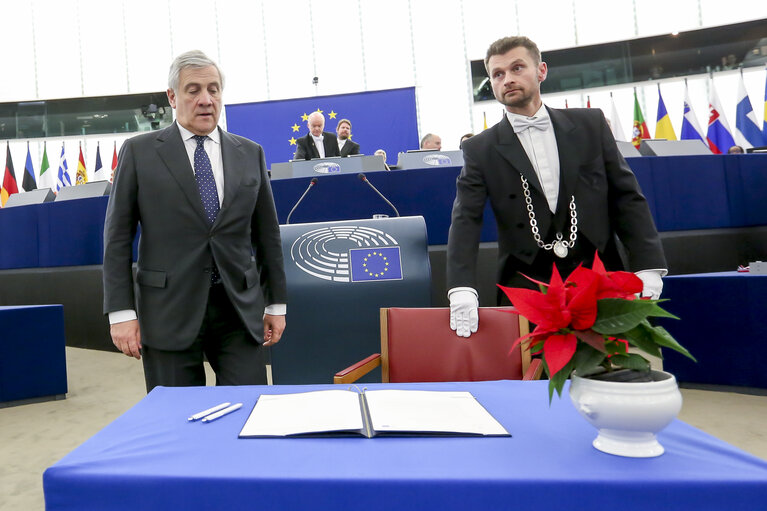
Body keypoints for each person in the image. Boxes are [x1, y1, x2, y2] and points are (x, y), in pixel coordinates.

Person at [446, 36, 666, 337]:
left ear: (541, 71)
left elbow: (626, 197)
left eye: (517, 68)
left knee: (612, 376)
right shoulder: (479, 149)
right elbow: (465, 219)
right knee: (539, 381)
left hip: (600, 273)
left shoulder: (591, 124)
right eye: (498, 74)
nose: (507, 79)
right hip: (527, 286)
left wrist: (648, 266)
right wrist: (461, 287)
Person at [103, 50, 287, 391]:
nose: (206, 100)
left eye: (214, 89)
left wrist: (275, 303)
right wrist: (121, 313)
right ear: (172, 97)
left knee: (248, 411)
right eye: (194, 90)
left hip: (238, 311)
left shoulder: (250, 153)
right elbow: (116, 239)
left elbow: (267, 236)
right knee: (176, 423)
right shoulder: (140, 153)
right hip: (168, 312)